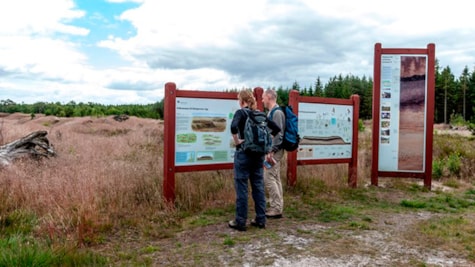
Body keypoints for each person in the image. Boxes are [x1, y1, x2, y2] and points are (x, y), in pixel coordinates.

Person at [228, 89, 280, 231]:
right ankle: (260, 219)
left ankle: (240, 222)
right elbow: (276, 129)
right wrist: (267, 143)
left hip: (243, 154)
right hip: (258, 156)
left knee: (242, 188)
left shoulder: (240, 113)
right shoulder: (260, 114)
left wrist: (237, 141)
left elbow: (233, 127)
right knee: (258, 187)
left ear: (242, 100)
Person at [262, 89, 285, 219]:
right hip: (274, 150)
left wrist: (271, 151)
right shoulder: (273, 112)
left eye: (263, 97)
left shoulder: (276, 113)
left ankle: (276, 209)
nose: (262, 100)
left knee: (268, 177)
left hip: (274, 151)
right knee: (275, 177)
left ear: (269, 97)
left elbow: (278, 134)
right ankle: (277, 206)